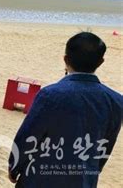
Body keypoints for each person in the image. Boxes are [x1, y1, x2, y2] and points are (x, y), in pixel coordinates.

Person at [8, 32, 122, 187]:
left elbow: (28, 136)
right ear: (101, 62)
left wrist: (14, 167)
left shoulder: (50, 95)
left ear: (66, 59)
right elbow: (106, 145)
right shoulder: (116, 101)